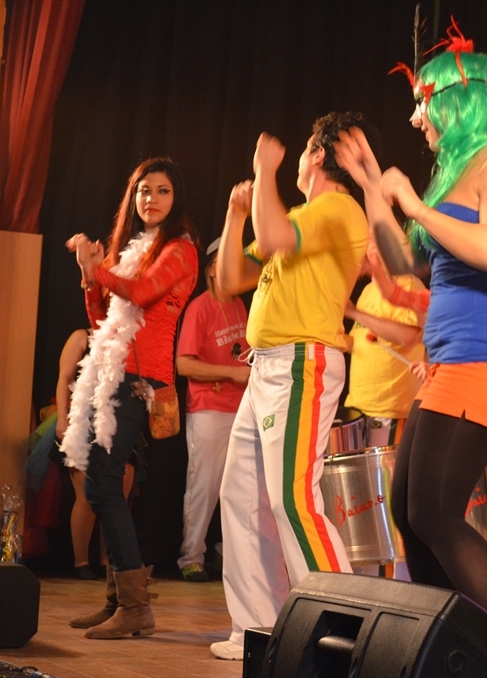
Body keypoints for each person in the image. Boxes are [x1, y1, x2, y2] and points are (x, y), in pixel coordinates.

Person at [333, 24, 487, 638]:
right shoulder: (460, 172)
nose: (414, 117)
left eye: (421, 103)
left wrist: (417, 206)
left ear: (456, 101)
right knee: (410, 512)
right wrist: (373, 188)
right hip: (452, 360)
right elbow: (404, 263)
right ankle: (445, 648)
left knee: (435, 512)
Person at [209, 112, 374, 660]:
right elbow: (230, 280)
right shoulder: (298, 214)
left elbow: (275, 235)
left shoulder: (338, 208)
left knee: (293, 499)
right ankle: (257, 629)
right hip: (266, 368)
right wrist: (236, 214)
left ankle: (346, 633)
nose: (299, 158)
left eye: (305, 150)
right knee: (240, 496)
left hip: (303, 362)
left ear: (317, 156)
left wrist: (264, 170)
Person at [62, 157, 199, 639]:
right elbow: (102, 322)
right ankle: (119, 600)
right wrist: (89, 276)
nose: (151, 198)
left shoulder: (181, 250)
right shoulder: (136, 250)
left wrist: (98, 269)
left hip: (142, 380)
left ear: (176, 198)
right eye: (144, 190)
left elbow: (141, 294)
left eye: (162, 190)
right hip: (115, 372)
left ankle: (135, 605)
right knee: (102, 485)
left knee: (103, 484)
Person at [174, 238, 250, 582]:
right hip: (209, 409)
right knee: (203, 485)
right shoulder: (200, 308)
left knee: (241, 488)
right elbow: (184, 364)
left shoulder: (240, 306)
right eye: (226, 262)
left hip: (241, 407)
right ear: (211, 270)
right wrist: (230, 373)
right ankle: (191, 557)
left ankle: (226, 554)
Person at [54, 328, 136, 580]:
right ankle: (81, 561)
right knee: (86, 496)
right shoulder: (81, 337)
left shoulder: (130, 338)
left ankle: (108, 562)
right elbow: (65, 378)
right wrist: (62, 418)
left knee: (117, 495)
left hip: (120, 423)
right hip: (84, 421)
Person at [344, 245, 426, 448]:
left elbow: (408, 335)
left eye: (374, 240)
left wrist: (354, 313)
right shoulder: (368, 290)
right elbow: (359, 343)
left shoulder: (408, 284)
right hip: (360, 406)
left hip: (390, 410)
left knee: (386, 469)